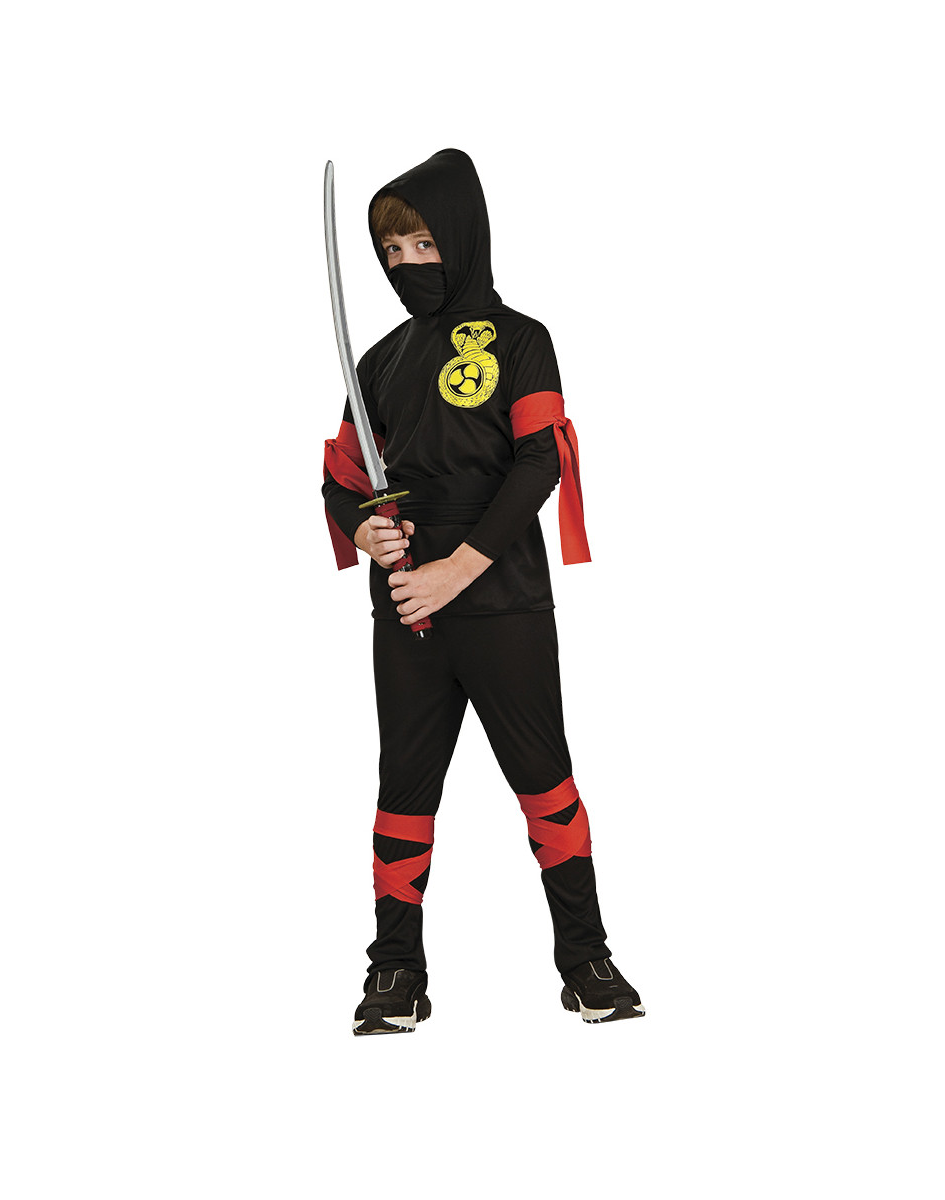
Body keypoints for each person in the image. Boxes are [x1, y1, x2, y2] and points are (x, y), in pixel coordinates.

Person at [322, 148, 644, 1034]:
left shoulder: (522, 340)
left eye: (423, 244)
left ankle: (586, 960)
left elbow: (540, 460)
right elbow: (342, 477)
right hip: (407, 610)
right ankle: (395, 969)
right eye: (391, 251)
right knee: (404, 786)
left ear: (462, 237)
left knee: (544, 778)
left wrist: (456, 569)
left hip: (501, 600)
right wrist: (365, 530)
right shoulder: (379, 361)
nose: (405, 264)